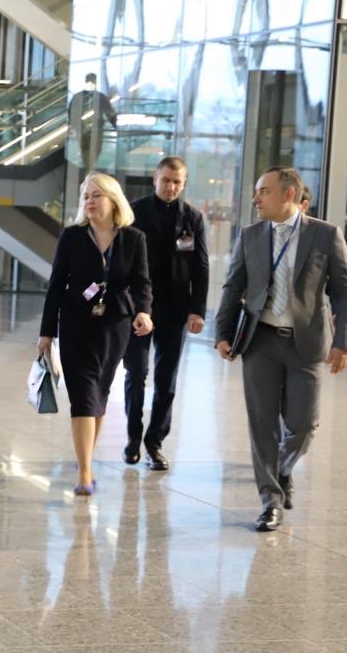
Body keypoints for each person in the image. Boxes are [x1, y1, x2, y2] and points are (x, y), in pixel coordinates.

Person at [215, 166, 347, 532]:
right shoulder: (250, 235)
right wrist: (223, 333)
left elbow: (345, 290)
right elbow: (233, 287)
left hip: (306, 345)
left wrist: (343, 342)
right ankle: (270, 501)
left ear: (288, 195)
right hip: (259, 341)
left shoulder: (325, 236)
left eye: (263, 191)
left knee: (303, 426)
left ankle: (282, 467)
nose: (256, 199)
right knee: (262, 425)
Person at [37, 172, 153, 496]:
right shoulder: (72, 237)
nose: (89, 202)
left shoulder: (133, 239)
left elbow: (142, 283)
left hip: (115, 326)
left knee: (99, 396)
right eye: (85, 196)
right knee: (84, 397)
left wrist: (144, 311)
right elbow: (56, 285)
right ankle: (85, 473)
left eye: (95, 196)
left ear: (113, 200)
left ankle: (85, 458)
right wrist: (47, 331)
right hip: (76, 325)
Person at [122, 157, 209, 471]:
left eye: (177, 182)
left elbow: (200, 267)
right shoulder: (134, 212)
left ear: (183, 184)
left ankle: (154, 442)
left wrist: (197, 310)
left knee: (166, 380)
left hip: (175, 309)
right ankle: (132, 436)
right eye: (166, 180)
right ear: (154, 178)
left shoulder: (192, 218)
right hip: (138, 308)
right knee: (136, 373)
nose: (171, 187)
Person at [67, 73, 118, 172]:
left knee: (95, 151)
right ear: (85, 82)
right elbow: (71, 113)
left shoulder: (101, 97)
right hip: (82, 130)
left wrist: (117, 127)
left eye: (92, 82)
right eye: (89, 81)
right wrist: (74, 126)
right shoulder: (77, 97)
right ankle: (88, 170)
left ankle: (89, 170)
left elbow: (110, 114)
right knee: (86, 152)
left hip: (96, 130)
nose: (90, 84)